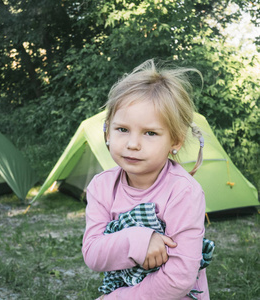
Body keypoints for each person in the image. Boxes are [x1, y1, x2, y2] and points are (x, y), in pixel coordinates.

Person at [82, 59, 211, 299]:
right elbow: (93, 254)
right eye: (122, 129)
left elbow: (179, 278)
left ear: (175, 141)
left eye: (150, 133)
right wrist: (138, 239)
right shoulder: (101, 186)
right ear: (107, 130)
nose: (132, 144)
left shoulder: (183, 192)